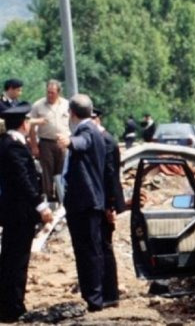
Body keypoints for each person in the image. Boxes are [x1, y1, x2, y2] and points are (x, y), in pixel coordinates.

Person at [0, 103, 53, 322]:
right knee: (17, 260)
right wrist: (41, 206)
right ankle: (13, 307)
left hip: (12, 211)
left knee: (9, 258)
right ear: (24, 124)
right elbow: (23, 180)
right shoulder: (14, 146)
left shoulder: (5, 143)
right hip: (19, 212)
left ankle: (7, 303)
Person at [56, 94, 107, 312]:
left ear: (73, 113)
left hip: (85, 203)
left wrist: (69, 142)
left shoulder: (86, 131)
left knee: (88, 251)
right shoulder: (93, 130)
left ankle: (94, 298)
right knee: (89, 250)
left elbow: (81, 143)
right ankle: (93, 296)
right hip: (87, 201)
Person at [91, 108, 126, 307]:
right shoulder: (106, 139)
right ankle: (108, 292)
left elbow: (110, 176)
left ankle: (110, 293)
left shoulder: (104, 141)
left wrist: (109, 205)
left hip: (105, 202)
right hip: (105, 201)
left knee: (104, 247)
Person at [28, 79, 70, 205]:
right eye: (48, 92)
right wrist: (34, 146)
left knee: (62, 170)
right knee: (47, 171)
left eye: (53, 93)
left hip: (63, 141)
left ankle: (62, 197)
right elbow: (30, 126)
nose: (50, 95)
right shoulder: (38, 105)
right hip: (46, 142)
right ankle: (49, 199)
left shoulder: (66, 104)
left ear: (59, 92)